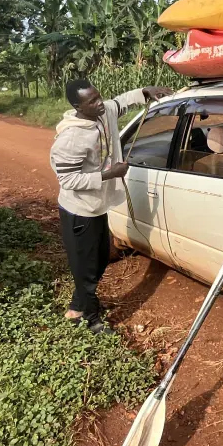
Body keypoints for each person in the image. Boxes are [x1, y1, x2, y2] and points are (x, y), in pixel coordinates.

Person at [51, 78, 173, 333]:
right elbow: (68, 179)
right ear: (77, 106)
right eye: (92, 101)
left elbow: (119, 103)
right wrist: (110, 173)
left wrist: (143, 92)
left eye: (98, 97)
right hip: (78, 210)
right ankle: (90, 319)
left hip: (97, 206)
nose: (99, 103)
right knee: (85, 267)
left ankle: (77, 305)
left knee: (99, 260)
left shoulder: (102, 113)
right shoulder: (71, 138)